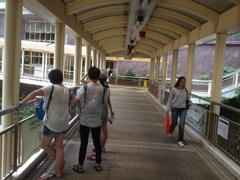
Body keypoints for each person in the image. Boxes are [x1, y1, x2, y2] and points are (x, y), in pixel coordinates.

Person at [20, 69, 70, 178]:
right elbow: (55, 100)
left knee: (44, 145)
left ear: (51, 79)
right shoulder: (66, 89)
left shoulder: (50, 88)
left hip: (52, 123)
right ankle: (58, 171)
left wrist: (21, 102)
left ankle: (60, 162)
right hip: (64, 122)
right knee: (59, 146)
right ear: (61, 77)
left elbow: (34, 93)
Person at [73, 67, 103, 173]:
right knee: (97, 143)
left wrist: (80, 108)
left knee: (84, 143)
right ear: (98, 76)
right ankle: (98, 164)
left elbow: (76, 100)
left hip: (85, 119)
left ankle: (80, 166)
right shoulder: (101, 87)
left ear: (89, 75)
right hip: (96, 118)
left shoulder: (85, 87)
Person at [166, 76, 191, 147]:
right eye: (182, 81)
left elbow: (188, 99)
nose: (184, 83)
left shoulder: (186, 90)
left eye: (185, 82)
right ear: (179, 82)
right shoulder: (174, 90)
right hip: (175, 108)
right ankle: (170, 131)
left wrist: (189, 102)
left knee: (182, 124)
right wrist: (167, 109)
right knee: (174, 122)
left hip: (183, 109)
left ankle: (180, 140)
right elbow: (170, 100)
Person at [99, 69, 115, 152]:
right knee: (105, 130)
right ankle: (103, 146)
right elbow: (108, 100)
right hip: (105, 109)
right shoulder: (107, 88)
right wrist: (111, 111)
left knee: (99, 131)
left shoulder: (97, 87)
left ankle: (100, 147)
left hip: (98, 110)